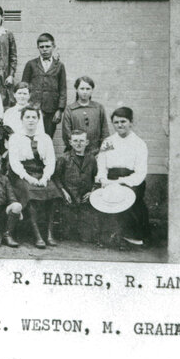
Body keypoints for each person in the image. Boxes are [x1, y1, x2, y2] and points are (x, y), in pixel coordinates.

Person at [9, 107, 63, 248]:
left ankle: (49, 234)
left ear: (38, 120)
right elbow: (14, 163)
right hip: (23, 175)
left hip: (41, 173)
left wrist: (45, 177)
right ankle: (37, 235)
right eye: (27, 117)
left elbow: (51, 160)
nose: (31, 120)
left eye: (34, 117)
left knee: (53, 192)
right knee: (30, 194)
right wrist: (28, 178)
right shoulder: (15, 138)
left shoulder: (45, 138)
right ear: (22, 120)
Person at [95, 106, 149, 246]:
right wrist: (103, 179)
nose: (120, 125)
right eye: (116, 122)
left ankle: (128, 236)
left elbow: (140, 173)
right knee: (102, 198)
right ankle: (109, 235)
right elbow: (102, 164)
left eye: (123, 121)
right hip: (110, 178)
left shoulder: (139, 144)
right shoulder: (108, 142)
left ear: (131, 122)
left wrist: (121, 181)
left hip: (131, 181)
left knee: (125, 198)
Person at [55, 129, 99, 243]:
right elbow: (56, 177)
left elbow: (96, 177)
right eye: (75, 141)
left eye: (81, 141)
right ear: (70, 142)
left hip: (85, 198)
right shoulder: (64, 158)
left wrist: (92, 192)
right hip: (69, 198)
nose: (78, 144)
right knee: (67, 235)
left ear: (87, 142)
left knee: (87, 237)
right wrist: (63, 191)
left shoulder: (91, 158)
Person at [21, 32, 67, 138]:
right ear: (38, 48)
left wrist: (59, 110)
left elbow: (63, 89)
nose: (44, 49)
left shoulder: (59, 66)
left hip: (51, 110)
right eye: (41, 47)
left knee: (47, 138)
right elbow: (23, 87)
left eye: (47, 46)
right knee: (30, 137)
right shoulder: (31, 64)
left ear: (53, 47)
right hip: (33, 109)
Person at [61, 75, 109, 153]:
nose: (85, 92)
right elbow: (67, 134)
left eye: (88, 89)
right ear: (76, 89)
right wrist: (77, 150)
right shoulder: (70, 109)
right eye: (82, 89)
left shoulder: (99, 108)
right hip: (76, 153)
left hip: (96, 153)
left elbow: (105, 132)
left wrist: (102, 152)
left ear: (92, 90)